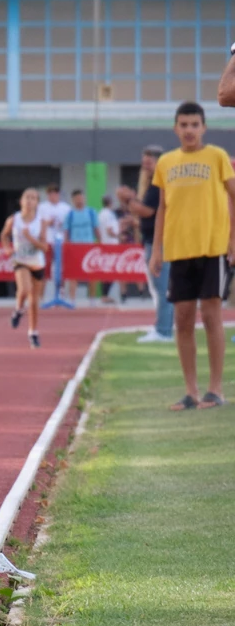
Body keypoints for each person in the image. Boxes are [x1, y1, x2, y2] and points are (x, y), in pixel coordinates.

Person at [148, 101, 235, 410]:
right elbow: (162, 209)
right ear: (176, 128)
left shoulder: (217, 157)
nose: (189, 130)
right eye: (183, 125)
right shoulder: (166, 163)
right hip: (179, 249)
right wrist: (156, 250)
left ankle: (215, 390)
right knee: (182, 319)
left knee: (211, 315)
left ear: (204, 128)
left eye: (194, 125)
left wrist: (233, 240)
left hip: (213, 248)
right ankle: (191, 391)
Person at [130, 145, 174, 342]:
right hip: (153, 239)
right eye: (144, 162)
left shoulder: (158, 184)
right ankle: (162, 327)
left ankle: (164, 330)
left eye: (149, 162)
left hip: (160, 241)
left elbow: (148, 211)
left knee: (161, 287)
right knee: (158, 288)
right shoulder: (153, 183)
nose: (145, 166)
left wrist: (128, 200)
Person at [1, 189, 50, 348]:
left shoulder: (41, 222)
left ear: (37, 202)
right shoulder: (14, 220)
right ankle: (18, 308)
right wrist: (8, 248)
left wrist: (30, 238)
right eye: (27, 198)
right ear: (21, 201)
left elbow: (44, 247)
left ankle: (33, 332)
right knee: (24, 289)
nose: (30, 201)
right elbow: (4, 235)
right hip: (20, 261)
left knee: (34, 301)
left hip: (37, 262)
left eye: (33, 198)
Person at [62, 189, 100, 306]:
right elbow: (66, 232)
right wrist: (67, 245)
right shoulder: (70, 215)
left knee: (92, 273)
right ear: (73, 200)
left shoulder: (91, 212)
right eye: (77, 198)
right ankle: (72, 299)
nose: (80, 200)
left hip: (89, 246)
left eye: (81, 198)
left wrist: (100, 243)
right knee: (73, 274)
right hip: (74, 247)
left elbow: (96, 229)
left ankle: (92, 298)